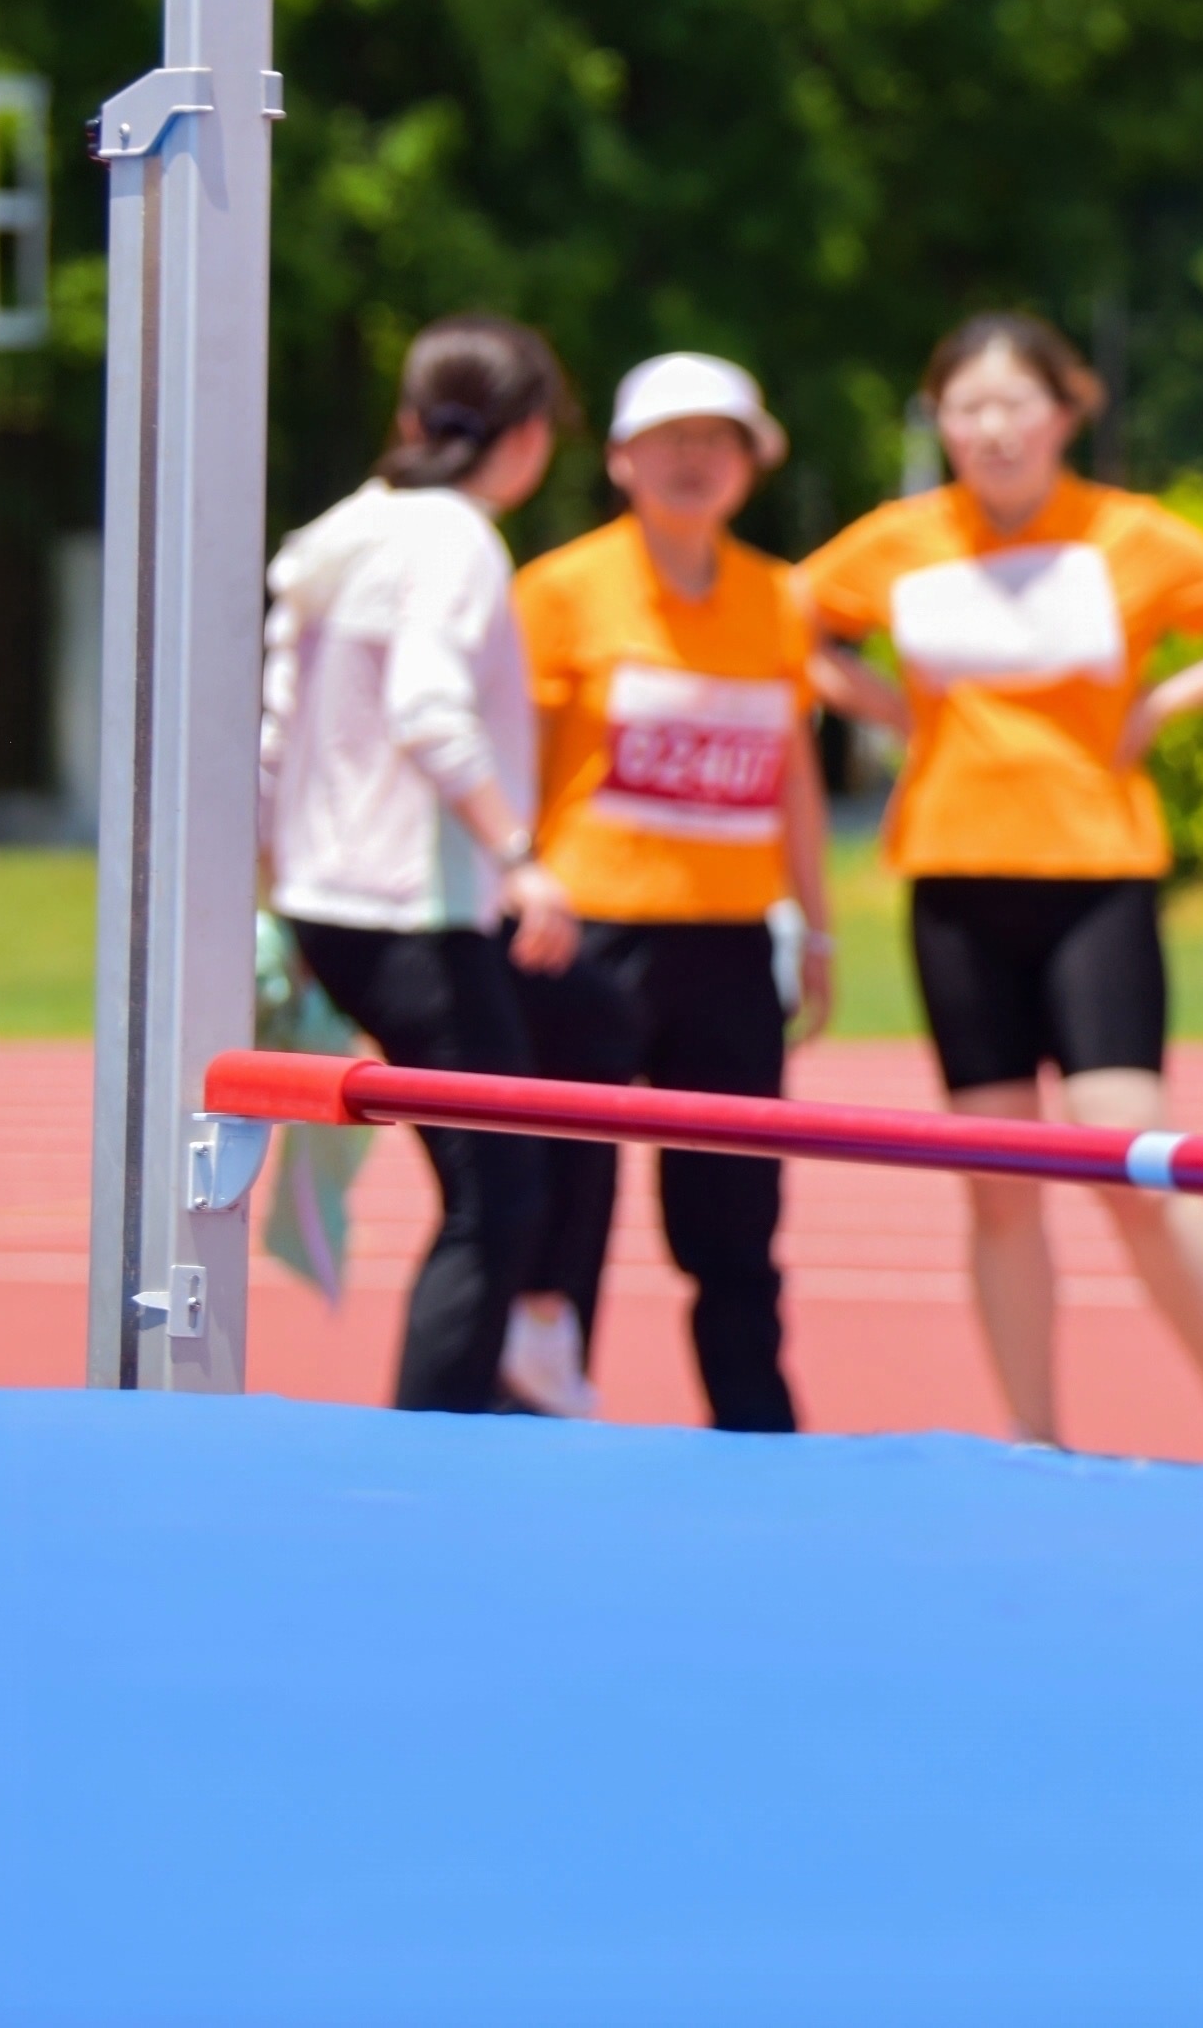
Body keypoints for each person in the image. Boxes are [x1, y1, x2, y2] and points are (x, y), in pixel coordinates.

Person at [795, 315, 1203, 1477]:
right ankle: (1035, 1439)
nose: (990, 429)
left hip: (1095, 874)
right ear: (940, 422)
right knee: (997, 1183)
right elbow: (777, 625)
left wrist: (1164, 703)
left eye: (1013, 404)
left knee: (1124, 1151)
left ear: (1064, 413)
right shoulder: (900, 540)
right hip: (953, 876)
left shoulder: (1127, 534)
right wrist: (890, 709)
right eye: (965, 408)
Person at [260, 315, 594, 1417]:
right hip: (413, 909)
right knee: (497, 1192)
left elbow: (275, 726)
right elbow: (427, 707)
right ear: (529, 437)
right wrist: (521, 857)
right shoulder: (456, 537)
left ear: (410, 419)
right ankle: (440, 1427)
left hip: (332, 898)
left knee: (580, 1044)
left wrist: (275, 875)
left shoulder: (341, 532)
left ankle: (500, 1381)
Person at [512, 353, 830, 1433]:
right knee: (563, 1198)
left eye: (718, 440)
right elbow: (512, 753)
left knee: (734, 1211)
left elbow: (791, 770)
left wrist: (816, 929)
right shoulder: (559, 589)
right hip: (583, 935)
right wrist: (513, 874)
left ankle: (756, 1432)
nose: (694, 460)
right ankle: (534, 1418)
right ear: (620, 459)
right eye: (671, 439)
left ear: (749, 464)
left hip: (731, 940)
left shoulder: (779, 597)